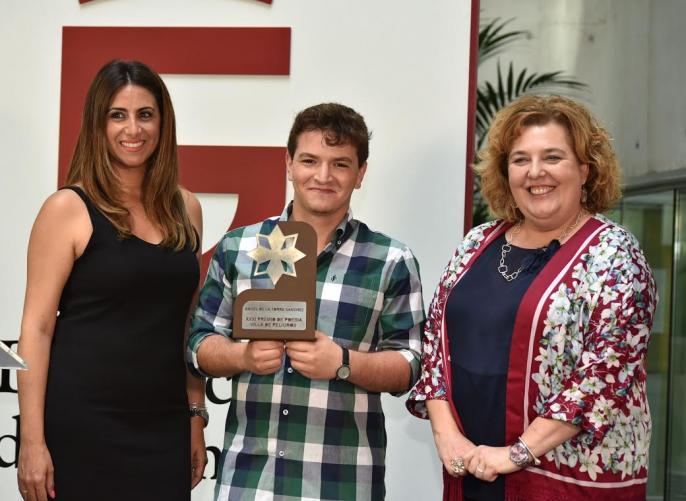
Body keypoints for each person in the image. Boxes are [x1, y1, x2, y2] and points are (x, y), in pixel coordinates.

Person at [407, 94, 657, 501]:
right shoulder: (476, 243)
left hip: (565, 481)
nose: (535, 172)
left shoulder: (614, 254)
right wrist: (446, 435)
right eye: (520, 159)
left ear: (585, 169)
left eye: (553, 157)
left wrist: (517, 453)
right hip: (472, 469)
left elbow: (603, 375)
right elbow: (435, 347)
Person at [189, 102, 425, 500]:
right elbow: (198, 344)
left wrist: (344, 364)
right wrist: (243, 358)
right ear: (288, 163)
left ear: (361, 173)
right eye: (310, 160)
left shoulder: (390, 260)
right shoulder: (240, 248)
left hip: (342, 482)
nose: (323, 176)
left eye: (340, 164)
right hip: (248, 482)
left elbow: (411, 363)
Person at [16, 60, 208, 501]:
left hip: (162, 425)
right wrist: (31, 441)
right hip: (83, 424)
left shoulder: (187, 209)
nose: (132, 129)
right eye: (117, 115)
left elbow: (188, 326)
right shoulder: (67, 208)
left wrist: (195, 414)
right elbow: (37, 328)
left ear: (163, 122)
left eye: (145, 114)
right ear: (97, 123)